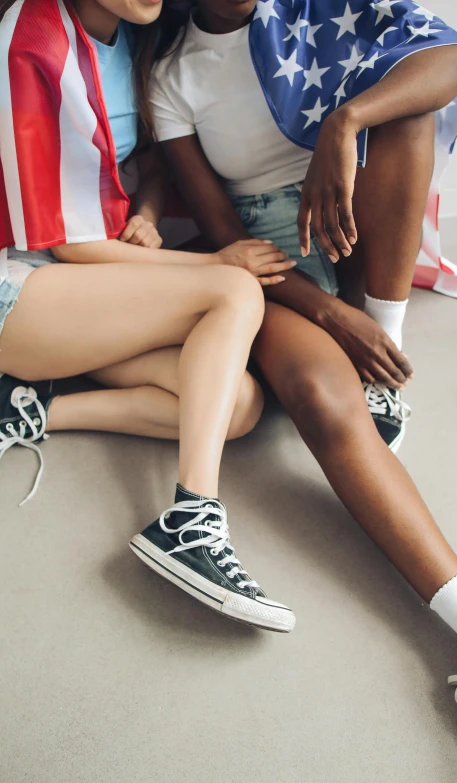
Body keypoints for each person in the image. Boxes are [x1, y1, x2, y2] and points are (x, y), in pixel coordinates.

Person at [145, 0, 457, 745]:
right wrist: (328, 314)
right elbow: (224, 236)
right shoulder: (171, 75)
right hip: (271, 265)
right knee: (320, 395)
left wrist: (344, 123)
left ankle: (384, 353)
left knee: (408, 111)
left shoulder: (316, 8)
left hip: (349, 221)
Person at [0, 0, 297, 633]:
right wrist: (219, 260)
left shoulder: (134, 39)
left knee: (236, 409)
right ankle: (192, 519)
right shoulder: (33, 36)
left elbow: (148, 165)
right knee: (235, 293)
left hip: (80, 283)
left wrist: (149, 214)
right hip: (19, 284)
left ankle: (26, 408)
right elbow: (68, 242)